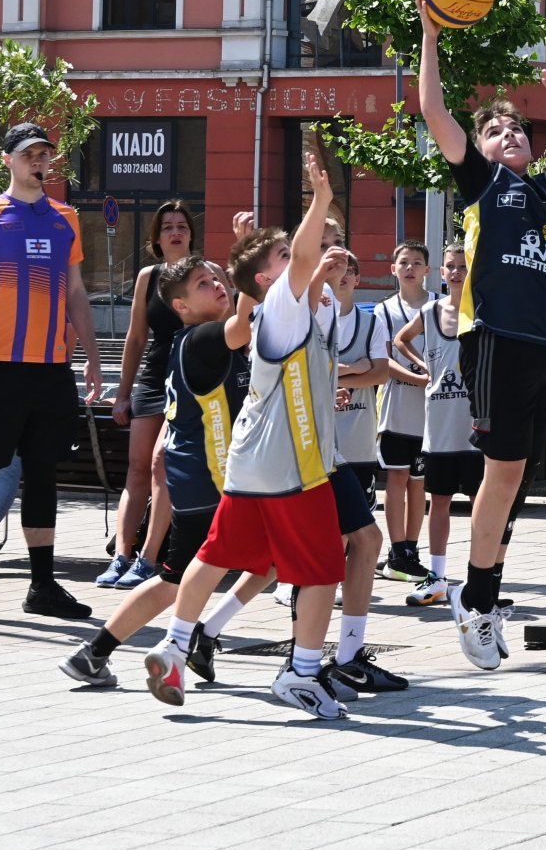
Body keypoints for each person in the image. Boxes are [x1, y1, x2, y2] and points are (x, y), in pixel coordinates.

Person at [140, 151, 353, 718]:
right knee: (325, 567)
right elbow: (304, 256)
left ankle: (175, 645)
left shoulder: (299, 306)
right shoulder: (279, 306)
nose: (299, 259)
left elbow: (314, 282)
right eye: (285, 257)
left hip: (254, 461)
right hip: (290, 465)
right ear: (265, 279)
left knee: (217, 556)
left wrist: (323, 273)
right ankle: (303, 673)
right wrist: (322, 200)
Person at [418, 0, 546, 671]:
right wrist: (431, 37)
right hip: (490, 336)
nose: (509, 138)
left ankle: (481, 590)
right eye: (497, 133)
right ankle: (478, 595)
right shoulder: (482, 183)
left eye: (518, 132)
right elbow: (435, 112)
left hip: (541, 344)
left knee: (515, 475)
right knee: (501, 470)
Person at [59, 253, 269, 687]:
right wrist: (254, 267)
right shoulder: (206, 337)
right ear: (182, 307)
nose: (216, 285)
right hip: (212, 477)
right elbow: (243, 324)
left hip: (199, 475)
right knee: (281, 554)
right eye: (203, 284)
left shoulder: (195, 341)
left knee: (185, 576)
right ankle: (190, 643)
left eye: (217, 277)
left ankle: (96, 653)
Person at [0, 122, 102, 627]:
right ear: (8, 160)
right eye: (29, 154)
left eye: (44, 154)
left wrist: (92, 354)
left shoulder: (66, 218)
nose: (40, 161)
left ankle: (42, 587)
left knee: (42, 476)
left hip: (51, 368)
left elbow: (75, 292)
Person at [100, 199, 196, 590]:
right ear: (156, 237)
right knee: (138, 469)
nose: (176, 232)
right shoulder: (147, 276)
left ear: (191, 234)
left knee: (162, 468)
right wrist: (123, 393)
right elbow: (136, 337)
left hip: (189, 379)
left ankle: (148, 558)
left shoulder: (206, 274)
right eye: (168, 226)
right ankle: (121, 556)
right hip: (153, 378)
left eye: (183, 226)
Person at [324, 249, 409, 696]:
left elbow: (378, 373)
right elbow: (309, 373)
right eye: (331, 271)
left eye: (346, 272)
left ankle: (343, 652)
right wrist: (343, 370)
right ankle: (326, 654)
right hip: (314, 448)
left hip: (354, 446)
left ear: (355, 279)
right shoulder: (311, 316)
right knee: (338, 539)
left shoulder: (369, 321)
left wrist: (344, 375)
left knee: (360, 537)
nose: (339, 279)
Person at [395, 253, 474, 610]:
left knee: (480, 505)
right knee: (438, 501)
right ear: (441, 272)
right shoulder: (429, 312)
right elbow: (401, 339)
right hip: (439, 426)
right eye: (451, 267)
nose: (457, 272)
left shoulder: (480, 310)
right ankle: (438, 578)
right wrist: (423, 366)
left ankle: (481, 578)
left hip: (473, 427)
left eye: (463, 266)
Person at [375, 240, 437, 582]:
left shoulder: (440, 306)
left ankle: (411, 548)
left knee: (419, 481)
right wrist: (417, 377)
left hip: (431, 409)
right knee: (397, 477)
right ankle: (397, 549)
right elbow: (383, 359)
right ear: (393, 268)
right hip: (397, 406)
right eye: (404, 262)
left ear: (428, 269)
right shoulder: (384, 310)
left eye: (416, 262)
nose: (410, 267)